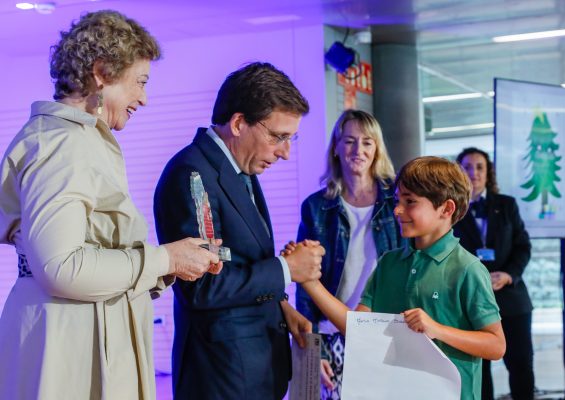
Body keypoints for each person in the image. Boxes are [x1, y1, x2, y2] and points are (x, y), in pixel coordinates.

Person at [0, 10, 221, 400]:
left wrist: (170, 265)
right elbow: (62, 267)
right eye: (140, 82)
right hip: (69, 345)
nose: (145, 98)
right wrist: (165, 260)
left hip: (71, 331)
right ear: (102, 72)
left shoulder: (66, 138)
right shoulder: (65, 144)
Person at [153, 62, 325, 400]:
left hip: (252, 371)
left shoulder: (240, 171)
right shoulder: (192, 174)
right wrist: (285, 269)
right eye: (278, 137)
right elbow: (203, 287)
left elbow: (240, 263)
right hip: (221, 377)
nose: (286, 153)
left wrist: (280, 307)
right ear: (238, 123)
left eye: (291, 139)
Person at [293, 156, 506, 400]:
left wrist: (437, 330)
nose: (397, 209)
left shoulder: (468, 268)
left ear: (446, 209)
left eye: (410, 201)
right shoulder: (388, 263)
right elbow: (357, 328)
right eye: (397, 200)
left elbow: (496, 345)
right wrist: (310, 281)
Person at [295, 109, 406, 399]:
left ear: (377, 148)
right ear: (336, 147)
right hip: (333, 331)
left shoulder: (397, 201)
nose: (359, 150)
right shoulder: (315, 207)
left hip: (386, 329)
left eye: (367, 142)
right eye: (349, 141)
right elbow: (304, 279)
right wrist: (312, 348)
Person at [453, 147, 535, 400]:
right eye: (467, 167)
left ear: (488, 172)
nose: (473, 173)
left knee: (521, 364)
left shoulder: (507, 205)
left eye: (479, 167)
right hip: (471, 301)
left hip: (511, 298)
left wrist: (508, 275)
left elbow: (523, 246)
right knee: (479, 369)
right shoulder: (451, 209)